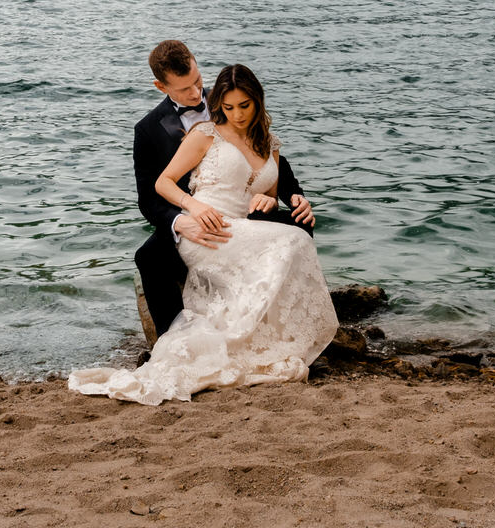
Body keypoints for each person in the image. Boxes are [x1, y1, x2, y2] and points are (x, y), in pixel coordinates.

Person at [68, 64, 338, 405]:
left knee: (298, 234)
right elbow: (161, 184)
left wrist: (273, 201)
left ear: (257, 102)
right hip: (205, 227)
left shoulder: (270, 142)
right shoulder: (205, 133)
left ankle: (276, 337)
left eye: (245, 106)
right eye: (228, 107)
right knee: (291, 241)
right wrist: (191, 210)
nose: (237, 115)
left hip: (243, 224)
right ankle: (179, 342)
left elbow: (269, 193)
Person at [126, 40, 314, 336]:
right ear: (161, 87)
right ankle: (172, 339)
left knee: (300, 226)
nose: (195, 92)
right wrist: (181, 221)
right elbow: (149, 198)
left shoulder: (232, 97)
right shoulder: (148, 129)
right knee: (148, 257)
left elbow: (268, 159)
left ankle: (282, 325)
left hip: (245, 210)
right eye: (184, 89)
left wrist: (293, 196)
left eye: (197, 81)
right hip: (190, 215)